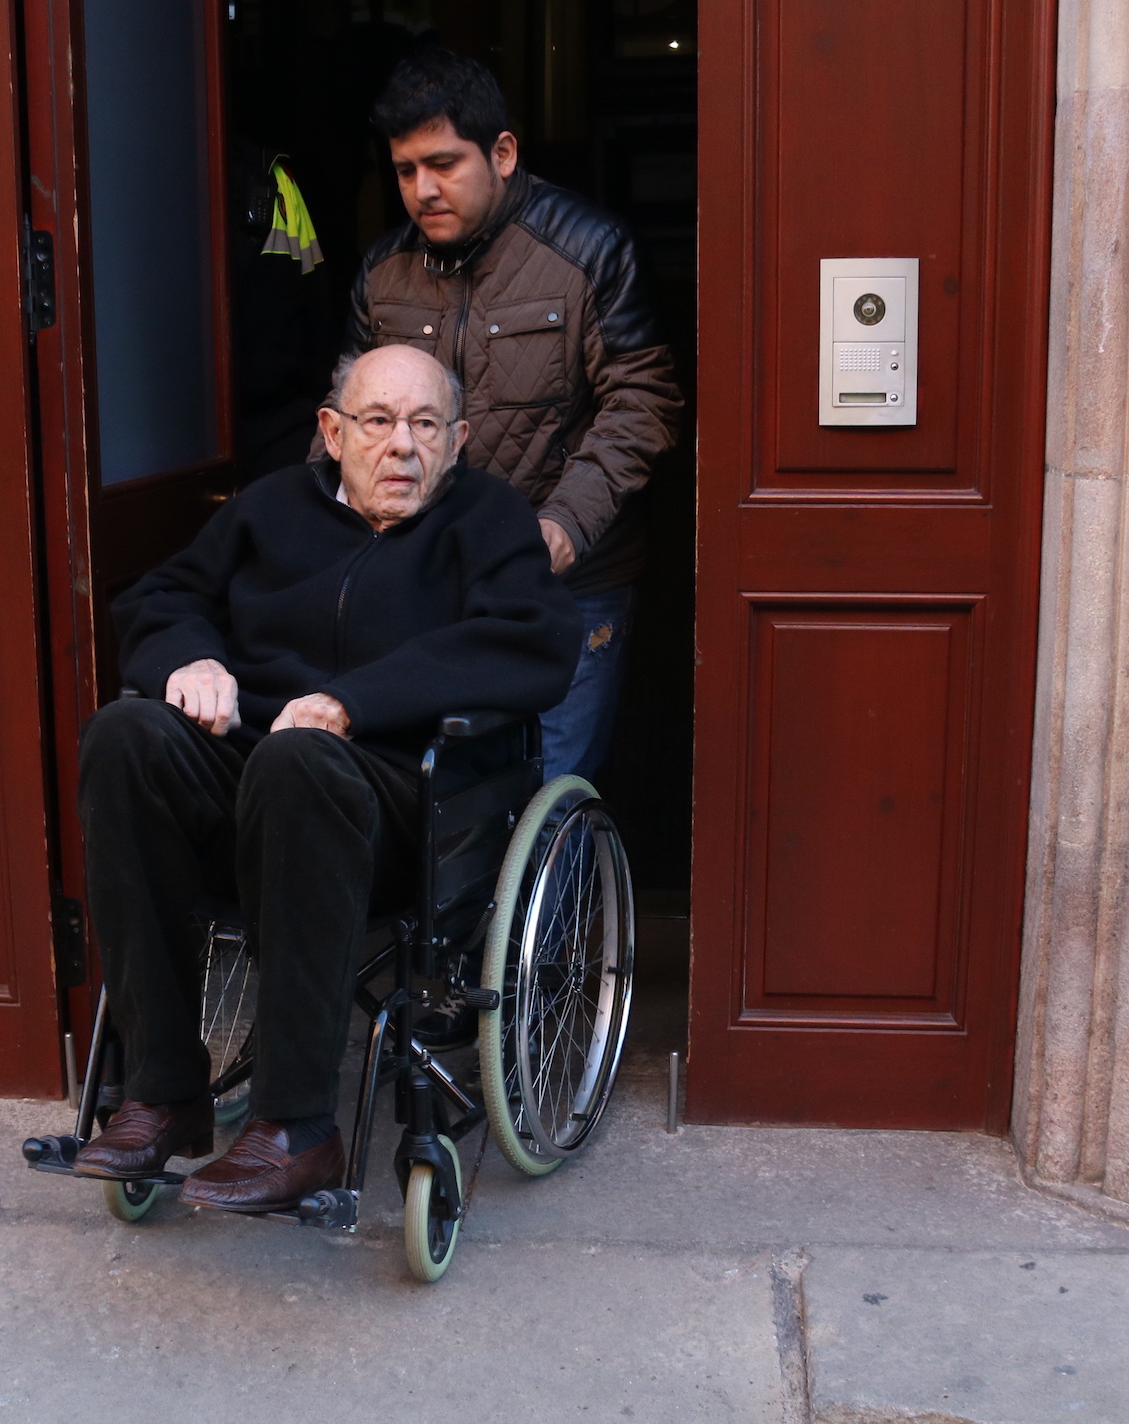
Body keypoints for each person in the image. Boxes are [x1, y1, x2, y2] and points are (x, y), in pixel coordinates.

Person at [71, 345, 580, 1213]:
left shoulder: (489, 524)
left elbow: (531, 645)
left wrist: (352, 701)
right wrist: (189, 659)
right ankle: (161, 1094)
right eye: (378, 423)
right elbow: (163, 596)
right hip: (253, 780)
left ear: (458, 441)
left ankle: (298, 1127)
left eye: (425, 425)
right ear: (332, 432)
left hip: (396, 798)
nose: (402, 447)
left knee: (300, 757)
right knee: (124, 735)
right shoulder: (269, 511)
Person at [323, 47, 684, 782]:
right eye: (404, 170)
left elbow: (643, 401)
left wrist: (559, 529)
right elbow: (346, 414)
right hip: (427, 581)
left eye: (444, 164)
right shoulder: (384, 272)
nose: (423, 189)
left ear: (504, 152)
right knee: (442, 799)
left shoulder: (589, 250)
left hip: (568, 587)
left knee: (547, 790)